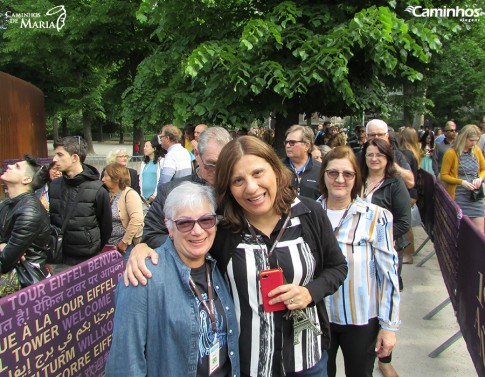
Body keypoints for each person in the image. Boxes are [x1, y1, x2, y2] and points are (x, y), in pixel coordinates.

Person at [125, 136, 348, 376]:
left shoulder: (309, 213)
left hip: (307, 361)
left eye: (258, 173)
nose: (251, 187)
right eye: (238, 180)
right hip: (247, 365)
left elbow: (337, 267)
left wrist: (310, 292)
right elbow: (179, 241)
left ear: (275, 170)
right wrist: (141, 248)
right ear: (228, 188)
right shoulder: (222, 228)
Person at [105, 182, 240, 377]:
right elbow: (125, 364)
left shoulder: (219, 268)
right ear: (169, 227)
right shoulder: (144, 277)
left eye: (206, 220)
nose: (198, 231)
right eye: (185, 223)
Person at [317, 146, 400, 377]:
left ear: (357, 177)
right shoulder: (308, 214)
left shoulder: (376, 216)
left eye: (348, 174)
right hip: (319, 318)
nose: (340, 179)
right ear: (323, 174)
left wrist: (389, 327)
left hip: (361, 320)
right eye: (333, 173)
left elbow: (389, 274)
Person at [360, 138, 410, 377]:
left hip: (384, 252)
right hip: (359, 254)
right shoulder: (357, 181)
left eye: (379, 155)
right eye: (370, 154)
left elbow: (403, 222)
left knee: (385, 303)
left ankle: (385, 358)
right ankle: (369, 351)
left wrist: (377, 237)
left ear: (388, 158)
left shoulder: (395, 184)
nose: (373, 159)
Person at [141, 127, 232, 248]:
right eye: (212, 164)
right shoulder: (170, 192)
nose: (220, 171)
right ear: (197, 154)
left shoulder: (238, 191)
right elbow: (151, 236)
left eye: (226, 164)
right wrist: (186, 241)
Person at [49, 136, 112, 266]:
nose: (54, 159)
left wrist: (92, 245)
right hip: (59, 255)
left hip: (86, 257)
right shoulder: (54, 185)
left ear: (75, 158)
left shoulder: (98, 190)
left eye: (60, 155)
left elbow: (106, 227)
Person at [0, 155, 51, 296]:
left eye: (17, 167)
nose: (8, 166)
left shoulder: (30, 210)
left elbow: (5, 260)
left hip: (26, 278)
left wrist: (6, 247)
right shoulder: (6, 204)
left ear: (27, 179)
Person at [440, 124, 485, 233]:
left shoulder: (477, 151)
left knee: (480, 233)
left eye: (476, 140)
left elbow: (484, 169)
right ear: (463, 138)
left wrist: (480, 178)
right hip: (458, 196)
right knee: (460, 232)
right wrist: (461, 182)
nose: (473, 143)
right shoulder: (451, 153)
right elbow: (443, 175)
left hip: (475, 196)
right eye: (471, 140)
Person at [102, 163, 144, 260]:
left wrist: (124, 242)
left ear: (116, 178)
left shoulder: (129, 194)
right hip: (107, 248)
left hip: (125, 249)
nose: (103, 179)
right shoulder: (107, 194)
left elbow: (137, 219)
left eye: (106, 176)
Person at [365, 119, 415, 189]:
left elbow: (410, 183)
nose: (376, 138)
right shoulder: (359, 156)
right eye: (372, 135)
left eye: (380, 135)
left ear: (387, 136)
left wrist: (392, 165)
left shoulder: (396, 155)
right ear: (366, 136)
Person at [398, 127, 421, 264]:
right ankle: (409, 253)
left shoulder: (406, 154)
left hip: (409, 192)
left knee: (405, 225)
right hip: (412, 192)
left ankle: (408, 254)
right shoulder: (415, 152)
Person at [282, 124, 322, 199]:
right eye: (286, 142)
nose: (287, 146)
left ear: (306, 146)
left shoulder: (320, 170)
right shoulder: (278, 167)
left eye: (292, 142)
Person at [140, 139, 164, 208]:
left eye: (147, 146)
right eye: (144, 146)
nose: (144, 148)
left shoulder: (161, 162)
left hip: (155, 199)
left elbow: (161, 179)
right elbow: (141, 179)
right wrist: (141, 194)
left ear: (154, 148)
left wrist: (155, 195)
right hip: (144, 199)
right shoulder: (144, 163)